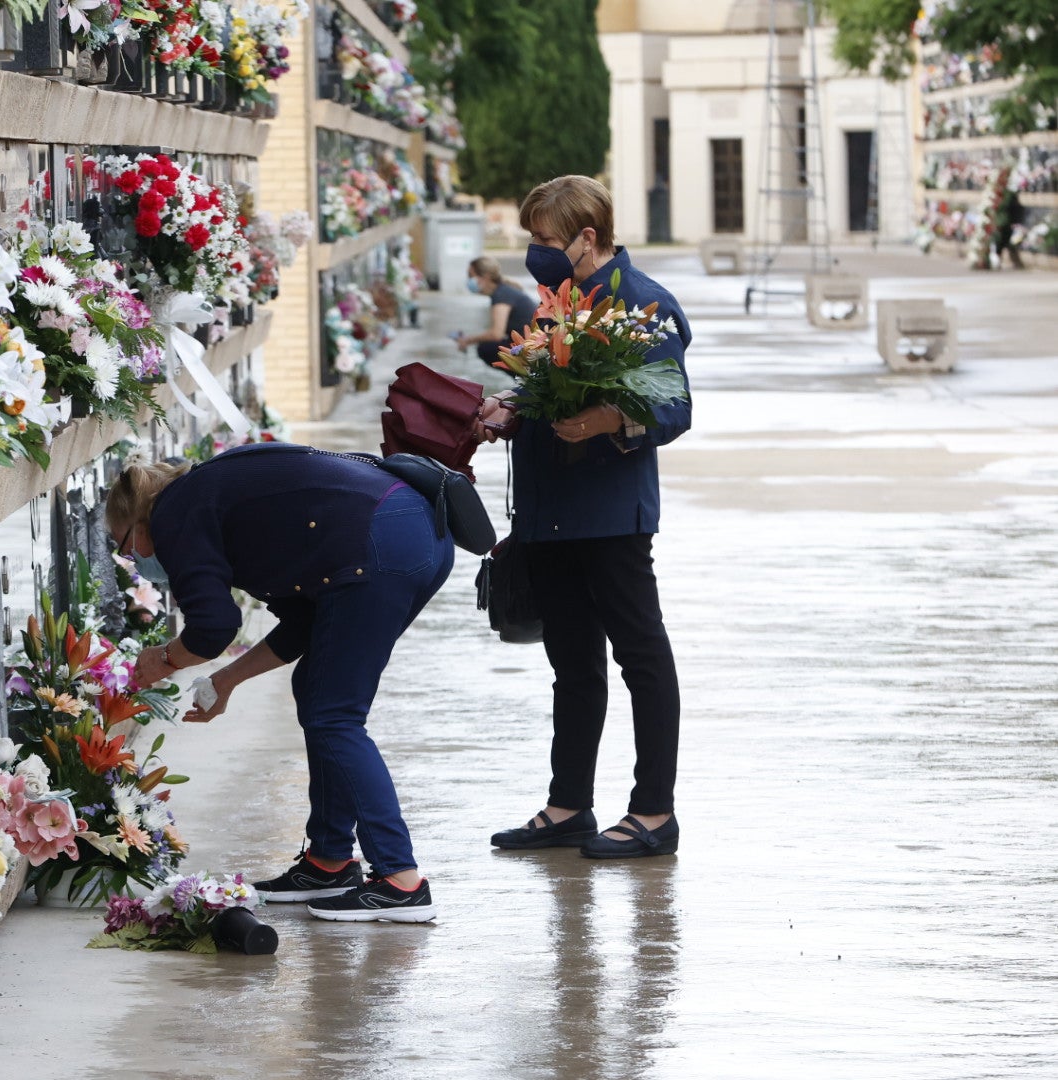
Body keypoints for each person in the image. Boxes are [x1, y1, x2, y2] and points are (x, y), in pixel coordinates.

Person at [108, 443, 454, 921]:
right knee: (317, 689)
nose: (132, 558)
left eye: (125, 545)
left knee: (334, 714)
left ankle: (400, 879)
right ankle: (329, 861)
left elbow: (212, 627)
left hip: (379, 545)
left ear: (141, 523)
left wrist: (164, 659)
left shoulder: (176, 514)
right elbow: (303, 626)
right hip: (410, 535)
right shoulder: (210, 498)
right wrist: (224, 681)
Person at [475, 175, 692, 859]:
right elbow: (543, 379)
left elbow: (674, 407)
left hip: (609, 515)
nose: (535, 254)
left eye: (544, 241)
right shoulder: (557, 302)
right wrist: (513, 404)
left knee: (640, 657)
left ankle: (654, 813)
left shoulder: (645, 305)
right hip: (550, 512)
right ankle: (568, 805)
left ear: (586, 238)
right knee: (572, 663)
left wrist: (609, 419)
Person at [454, 256, 539, 370]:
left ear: (485, 277)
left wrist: (468, 340)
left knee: (486, 348)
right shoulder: (503, 291)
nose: (468, 280)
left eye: (471, 275)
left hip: (533, 347)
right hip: (531, 343)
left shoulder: (501, 295)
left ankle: (525, 379)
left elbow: (496, 334)